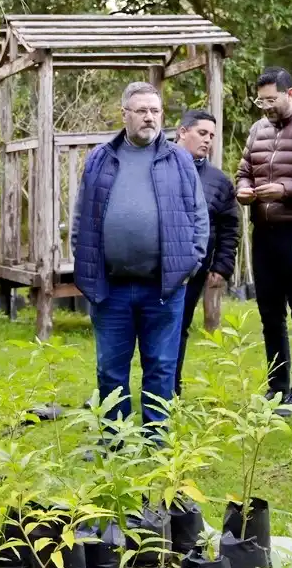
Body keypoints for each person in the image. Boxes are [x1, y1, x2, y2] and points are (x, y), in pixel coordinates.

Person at [73, 82, 209, 436]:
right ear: (125, 115)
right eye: (142, 111)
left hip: (163, 286)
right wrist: (81, 255)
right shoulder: (101, 158)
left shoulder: (178, 158)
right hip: (111, 286)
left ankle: (155, 441)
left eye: (155, 111)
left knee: (161, 367)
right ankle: (115, 442)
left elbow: (198, 216)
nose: (150, 118)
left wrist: (189, 264)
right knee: (110, 370)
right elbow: (81, 217)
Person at [236, 67, 292, 415]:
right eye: (261, 100)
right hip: (264, 235)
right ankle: (277, 388)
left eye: (272, 99)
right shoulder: (257, 130)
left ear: (291, 94)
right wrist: (243, 189)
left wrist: (286, 190)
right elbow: (244, 170)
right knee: (270, 315)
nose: (266, 107)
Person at [173, 110, 240, 396]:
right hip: (153, 264)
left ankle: (169, 390)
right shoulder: (159, 165)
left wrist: (222, 266)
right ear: (182, 131)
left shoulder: (219, 181)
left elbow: (230, 227)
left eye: (212, 136)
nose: (208, 140)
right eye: (202, 133)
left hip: (195, 267)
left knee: (180, 328)